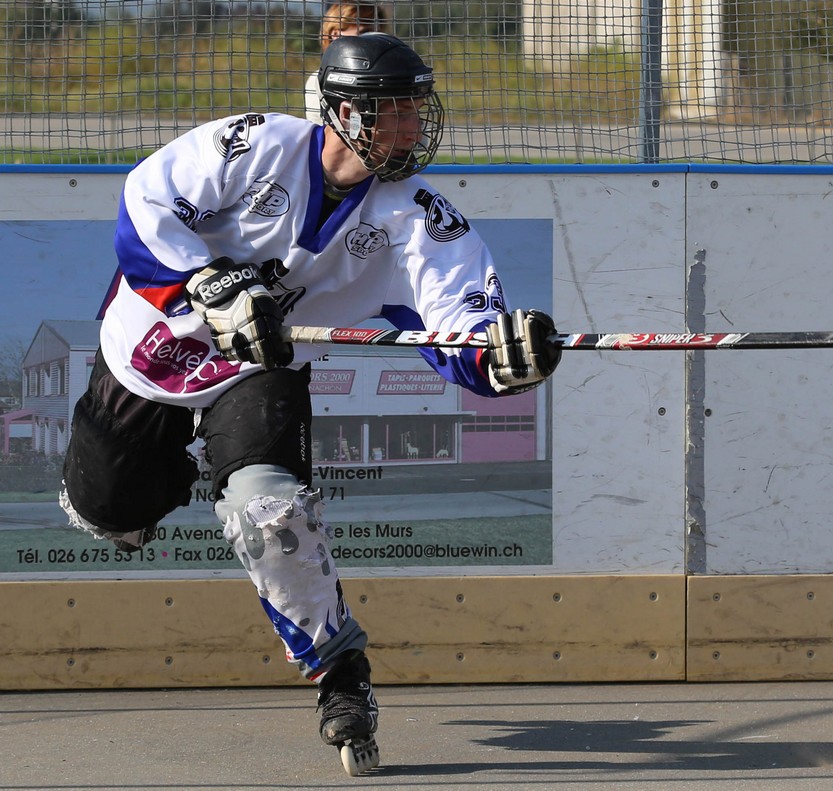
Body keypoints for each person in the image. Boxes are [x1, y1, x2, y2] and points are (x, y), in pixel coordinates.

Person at [59, 33, 560, 777]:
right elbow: (147, 201)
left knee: (272, 512)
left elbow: (462, 328)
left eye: (417, 111)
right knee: (107, 506)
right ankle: (159, 479)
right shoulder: (256, 144)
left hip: (262, 369)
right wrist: (207, 283)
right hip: (154, 343)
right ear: (344, 112)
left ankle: (340, 676)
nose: (412, 129)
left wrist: (502, 358)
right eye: (394, 111)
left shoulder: (418, 218)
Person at [304, 2, 386, 124]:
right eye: (365, 33)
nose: (375, 41)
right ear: (336, 35)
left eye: (378, 34)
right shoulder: (318, 82)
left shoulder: (385, 76)